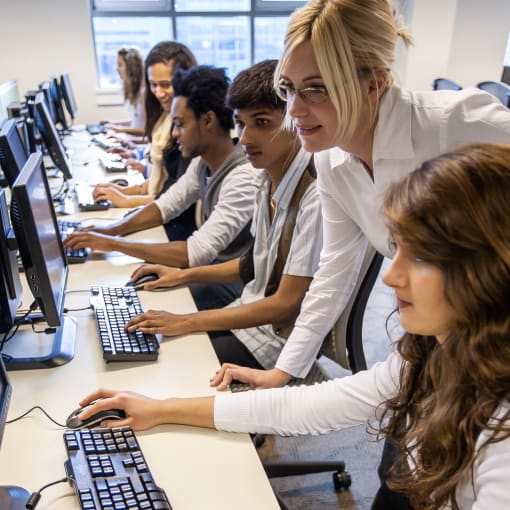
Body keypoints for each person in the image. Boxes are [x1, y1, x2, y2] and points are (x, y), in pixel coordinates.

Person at [77, 144, 510, 510]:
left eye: (420, 257)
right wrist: (161, 407)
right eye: (396, 250)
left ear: (488, 268)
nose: (390, 277)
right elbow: (311, 406)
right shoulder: (433, 354)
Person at [208, 0, 510, 391]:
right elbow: (334, 271)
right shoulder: (333, 160)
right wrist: (283, 372)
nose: (294, 110)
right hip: (440, 329)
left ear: (375, 83)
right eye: (289, 89)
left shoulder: (457, 124)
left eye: (316, 90)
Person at [123, 59, 322, 368]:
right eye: (241, 124)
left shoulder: (313, 197)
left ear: (294, 119)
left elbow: (285, 305)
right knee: (155, 341)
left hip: (275, 345)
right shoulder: (264, 179)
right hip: (248, 318)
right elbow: (253, 264)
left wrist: (189, 321)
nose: (245, 138)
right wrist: (182, 275)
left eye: (262, 123)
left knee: (165, 361)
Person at [64, 65, 255, 277]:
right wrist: (112, 230)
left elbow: (193, 254)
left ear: (208, 120)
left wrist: (114, 244)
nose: (174, 133)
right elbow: (165, 206)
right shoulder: (202, 162)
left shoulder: (243, 176)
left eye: (180, 124)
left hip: (232, 286)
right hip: (210, 272)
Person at [92, 41, 197, 214]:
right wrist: (122, 192)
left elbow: (175, 196)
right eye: (153, 85)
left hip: (169, 216)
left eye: (165, 84)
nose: (158, 93)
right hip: (157, 205)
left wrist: (126, 200)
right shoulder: (164, 116)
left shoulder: (187, 129)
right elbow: (160, 178)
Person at [102, 46, 145, 137]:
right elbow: (136, 121)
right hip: (132, 141)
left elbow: (146, 130)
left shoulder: (143, 93)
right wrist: (114, 124)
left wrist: (119, 130)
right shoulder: (134, 90)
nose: (117, 69)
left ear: (131, 67)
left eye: (120, 65)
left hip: (139, 144)